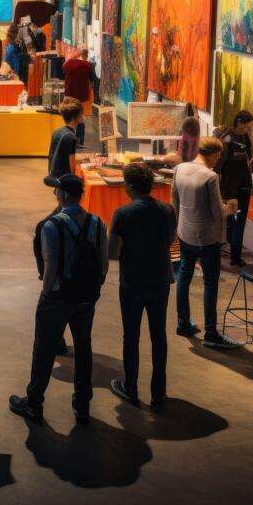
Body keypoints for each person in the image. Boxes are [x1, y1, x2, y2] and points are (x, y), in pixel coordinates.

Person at [9, 174, 108, 424]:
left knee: (44, 349)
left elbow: (51, 265)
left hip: (58, 297)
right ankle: (82, 404)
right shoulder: (98, 223)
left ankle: (34, 403)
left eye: (57, 191)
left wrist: (46, 294)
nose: (55, 194)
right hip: (86, 297)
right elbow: (104, 263)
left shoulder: (51, 226)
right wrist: (93, 289)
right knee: (83, 347)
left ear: (63, 195)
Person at [108, 163, 177, 407]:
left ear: (129, 186)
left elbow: (112, 252)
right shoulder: (167, 210)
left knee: (131, 336)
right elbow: (171, 239)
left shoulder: (122, 213)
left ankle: (131, 388)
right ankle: (158, 393)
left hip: (133, 282)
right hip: (160, 280)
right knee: (159, 336)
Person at [173, 137, 242, 349]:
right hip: (207, 238)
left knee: (184, 275)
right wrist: (230, 208)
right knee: (210, 283)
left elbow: (175, 201)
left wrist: (178, 228)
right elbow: (217, 213)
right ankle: (211, 333)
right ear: (211, 154)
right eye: (218, 155)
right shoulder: (210, 176)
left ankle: (183, 322)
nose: (218, 159)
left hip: (185, 233)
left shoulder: (180, 168)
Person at [216, 110, 253, 266]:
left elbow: (248, 157)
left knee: (237, 222)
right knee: (236, 221)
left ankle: (234, 252)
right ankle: (235, 258)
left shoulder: (244, 137)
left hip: (243, 186)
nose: (248, 130)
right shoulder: (227, 139)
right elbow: (218, 164)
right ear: (238, 122)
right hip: (232, 189)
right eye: (246, 126)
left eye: (250, 127)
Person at [46, 98, 83, 184]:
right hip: (65, 180)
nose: (83, 116)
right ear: (74, 118)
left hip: (54, 175)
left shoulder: (57, 131)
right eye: (81, 114)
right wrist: (75, 180)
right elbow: (71, 164)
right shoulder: (71, 137)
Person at [62, 48, 92, 145]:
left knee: (69, 115)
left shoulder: (70, 63)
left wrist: (70, 59)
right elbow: (90, 81)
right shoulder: (88, 65)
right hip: (82, 94)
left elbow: (64, 67)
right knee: (80, 116)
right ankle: (80, 140)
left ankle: (69, 138)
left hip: (70, 93)